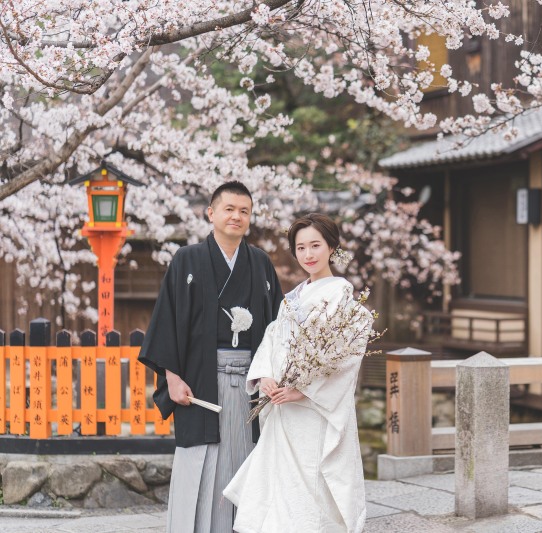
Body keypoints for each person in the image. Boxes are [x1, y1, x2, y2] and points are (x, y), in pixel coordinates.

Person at [138, 181, 283, 533]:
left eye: (244, 211)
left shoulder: (260, 264)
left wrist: (273, 373)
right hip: (200, 382)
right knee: (200, 462)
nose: (237, 216)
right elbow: (167, 320)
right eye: (229, 209)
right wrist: (171, 377)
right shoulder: (187, 260)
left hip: (251, 383)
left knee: (248, 458)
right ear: (211, 213)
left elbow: (278, 327)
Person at [224, 213, 370, 533]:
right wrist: (266, 377)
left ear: (332, 247)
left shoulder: (343, 297)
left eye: (315, 245)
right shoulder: (292, 298)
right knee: (282, 484)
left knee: (313, 481)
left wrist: (302, 390)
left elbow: (346, 355)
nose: (308, 254)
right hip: (283, 403)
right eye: (301, 247)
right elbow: (273, 340)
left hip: (313, 407)